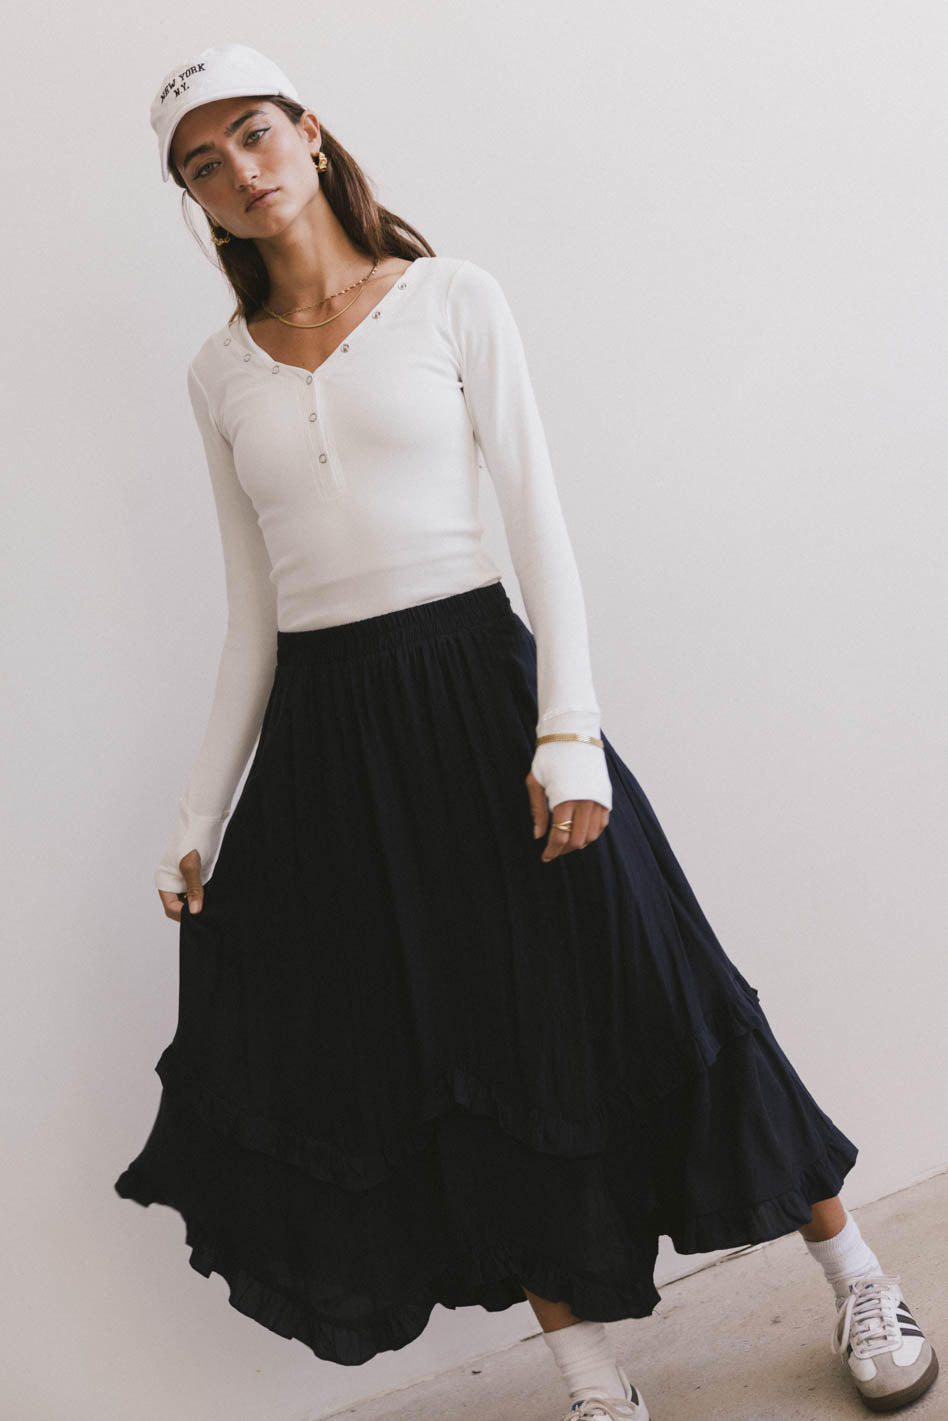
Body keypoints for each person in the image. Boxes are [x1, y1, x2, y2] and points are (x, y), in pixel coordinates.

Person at [114, 43, 938, 1419]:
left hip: (488, 697)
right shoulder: (218, 374)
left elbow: (538, 520)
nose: (238, 171)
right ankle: (593, 1379)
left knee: (661, 986)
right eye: (203, 163)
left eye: (252, 133)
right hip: (331, 742)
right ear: (193, 197)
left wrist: (570, 730)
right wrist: (200, 812)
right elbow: (253, 609)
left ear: (308, 131)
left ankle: (855, 1273)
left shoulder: (450, 298)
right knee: (459, 1054)